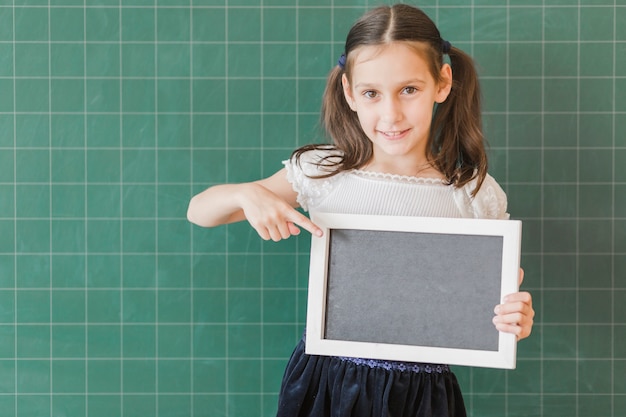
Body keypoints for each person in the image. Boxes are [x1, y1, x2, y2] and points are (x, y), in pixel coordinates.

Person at [187, 4, 534, 417]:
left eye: (409, 89)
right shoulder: (322, 172)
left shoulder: (473, 194)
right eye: (371, 93)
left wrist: (514, 322)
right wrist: (246, 193)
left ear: (442, 83)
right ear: (350, 93)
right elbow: (199, 211)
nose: (391, 114)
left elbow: (489, 309)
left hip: (421, 395)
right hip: (325, 385)